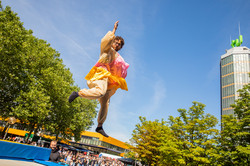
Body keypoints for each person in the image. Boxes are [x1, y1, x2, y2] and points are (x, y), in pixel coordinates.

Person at [68, 21, 129, 137]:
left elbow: (120, 72)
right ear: (112, 42)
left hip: (108, 80)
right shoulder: (106, 50)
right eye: (115, 42)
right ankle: (77, 93)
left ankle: (99, 126)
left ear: (121, 47)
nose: (117, 44)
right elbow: (105, 41)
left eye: (119, 44)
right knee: (101, 92)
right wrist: (114, 31)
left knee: (106, 101)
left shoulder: (120, 58)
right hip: (99, 74)